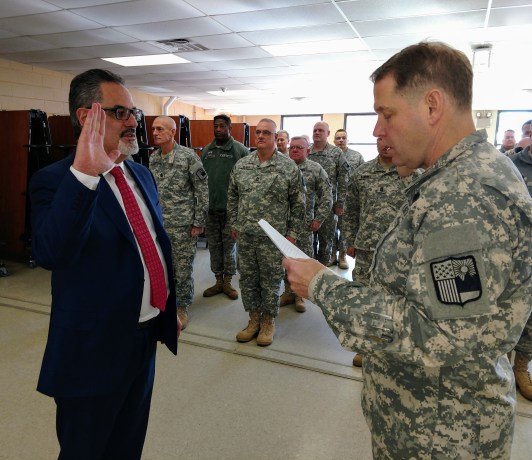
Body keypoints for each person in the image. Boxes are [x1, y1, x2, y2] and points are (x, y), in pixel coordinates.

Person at [283, 42, 532, 458]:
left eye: (387, 113)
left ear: (432, 106)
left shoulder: (465, 195)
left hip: (441, 436)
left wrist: (323, 286)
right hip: (424, 421)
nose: (378, 130)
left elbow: (440, 336)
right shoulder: (448, 179)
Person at [29, 69, 178, 459]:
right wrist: (85, 173)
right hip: (92, 353)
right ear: (86, 117)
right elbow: (51, 253)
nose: (132, 122)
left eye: (134, 113)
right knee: (86, 451)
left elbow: (150, 248)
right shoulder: (55, 181)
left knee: (127, 446)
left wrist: (164, 304)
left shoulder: (141, 174)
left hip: (143, 339)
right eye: (119, 112)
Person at [227, 119, 305, 346]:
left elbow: (299, 203)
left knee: (270, 281)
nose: (260, 136)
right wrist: (234, 223)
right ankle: (253, 320)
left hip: (273, 238)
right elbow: (232, 196)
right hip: (246, 235)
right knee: (248, 280)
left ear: (275, 137)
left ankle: (268, 321)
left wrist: (291, 234)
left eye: (266, 133)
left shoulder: (287, 167)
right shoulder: (242, 165)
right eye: (257, 132)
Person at [343, 137, 420, 367]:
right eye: (381, 140)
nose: (386, 143)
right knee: (366, 298)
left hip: (401, 251)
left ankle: (391, 345)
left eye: (390, 139)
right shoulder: (362, 173)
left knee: (396, 299)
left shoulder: (413, 173)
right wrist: (350, 239)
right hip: (367, 247)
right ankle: (367, 346)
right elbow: (351, 208)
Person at [149, 115, 208, 329]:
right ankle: (165, 302)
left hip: (183, 225)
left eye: (160, 129)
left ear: (173, 132)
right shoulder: (154, 158)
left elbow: (201, 189)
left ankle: (182, 306)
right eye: (153, 128)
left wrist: (199, 221)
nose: (155, 132)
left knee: (182, 269)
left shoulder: (188, 157)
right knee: (162, 267)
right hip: (159, 224)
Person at [279, 135, 332, 312]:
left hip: (304, 225)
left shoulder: (316, 169)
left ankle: (299, 296)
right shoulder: (281, 166)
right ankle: (287, 292)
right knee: (284, 259)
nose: (294, 150)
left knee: (301, 260)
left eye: (299, 148)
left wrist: (319, 218)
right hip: (282, 222)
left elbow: (327, 196)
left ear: (307, 151)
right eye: (292, 147)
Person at [201, 114, 248, 300]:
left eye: (222, 126)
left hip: (232, 211)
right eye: (216, 126)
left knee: (229, 247)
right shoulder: (207, 150)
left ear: (230, 128)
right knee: (214, 246)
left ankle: (228, 282)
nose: (218, 129)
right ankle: (218, 280)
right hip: (211, 210)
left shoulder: (240, 150)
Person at [508, 134, 532, 401]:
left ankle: (522, 368)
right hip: (516, 253)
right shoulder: (511, 166)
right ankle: (502, 363)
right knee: (511, 309)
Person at [308, 121, 350, 266]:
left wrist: (340, 203)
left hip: (328, 207)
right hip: (307, 206)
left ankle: (322, 273)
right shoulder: (307, 151)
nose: (317, 133)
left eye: (320, 130)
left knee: (326, 242)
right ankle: (309, 272)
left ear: (328, 134)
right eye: (315, 130)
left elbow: (343, 180)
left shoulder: (336, 153)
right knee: (308, 242)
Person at [332, 128, 364, 269]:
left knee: (345, 228)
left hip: (349, 199)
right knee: (331, 229)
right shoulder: (330, 155)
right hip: (332, 198)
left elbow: (363, 175)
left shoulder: (356, 156)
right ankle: (332, 255)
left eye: (343, 138)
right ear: (334, 140)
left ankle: (342, 256)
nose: (341, 140)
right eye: (338, 138)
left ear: (347, 140)